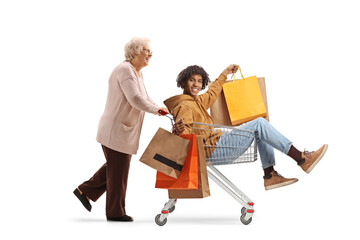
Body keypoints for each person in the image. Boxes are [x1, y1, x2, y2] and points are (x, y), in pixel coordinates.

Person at [165, 64, 328, 190]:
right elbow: (184, 136)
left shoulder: (197, 101)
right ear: (183, 82)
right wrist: (180, 130)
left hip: (217, 145)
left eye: (200, 81)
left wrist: (225, 73)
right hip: (214, 149)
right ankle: (301, 158)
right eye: (192, 80)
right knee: (259, 123)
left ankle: (269, 175)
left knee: (260, 127)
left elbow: (213, 92)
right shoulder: (184, 106)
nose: (196, 84)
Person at [73, 37, 168, 221]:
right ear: (134, 53)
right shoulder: (126, 70)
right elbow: (135, 99)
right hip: (115, 130)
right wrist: (157, 111)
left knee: (115, 168)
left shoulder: (137, 73)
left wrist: (161, 109)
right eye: (146, 50)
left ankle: (84, 191)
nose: (150, 54)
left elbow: (145, 98)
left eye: (150, 51)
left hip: (122, 130)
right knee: (119, 172)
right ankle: (115, 213)